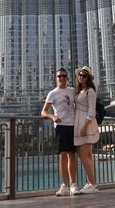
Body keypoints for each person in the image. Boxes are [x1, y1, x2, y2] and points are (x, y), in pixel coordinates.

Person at [41, 68, 80, 196]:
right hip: (60, 126)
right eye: (59, 76)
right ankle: (64, 186)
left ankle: (73, 185)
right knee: (62, 155)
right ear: (56, 78)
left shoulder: (72, 91)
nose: (62, 78)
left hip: (72, 126)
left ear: (67, 78)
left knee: (72, 155)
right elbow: (43, 112)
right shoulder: (52, 93)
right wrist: (53, 117)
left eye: (64, 76)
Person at [73, 65, 100, 194]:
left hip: (86, 124)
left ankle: (92, 184)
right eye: (80, 75)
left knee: (84, 155)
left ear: (88, 78)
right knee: (87, 155)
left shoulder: (90, 91)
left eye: (84, 75)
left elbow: (91, 111)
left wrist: (84, 127)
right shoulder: (80, 91)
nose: (81, 77)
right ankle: (90, 183)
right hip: (80, 123)